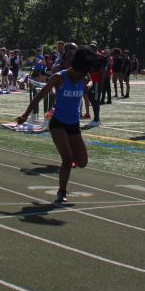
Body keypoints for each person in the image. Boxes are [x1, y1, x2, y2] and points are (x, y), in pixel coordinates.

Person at [16, 44, 93, 203]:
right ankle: (62, 191)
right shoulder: (59, 77)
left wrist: (89, 85)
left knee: (82, 162)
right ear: (67, 63)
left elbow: (90, 82)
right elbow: (39, 96)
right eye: (69, 58)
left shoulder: (83, 77)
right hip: (58, 122)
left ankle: (72, 146)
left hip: (74, 124)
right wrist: (25, 115)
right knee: (67, 159)